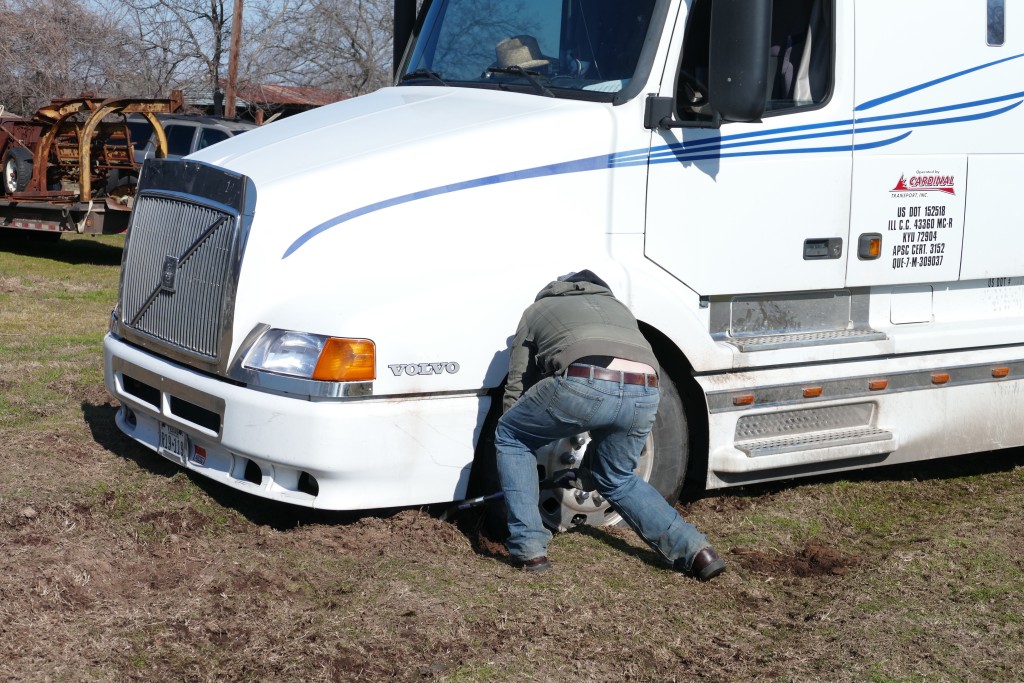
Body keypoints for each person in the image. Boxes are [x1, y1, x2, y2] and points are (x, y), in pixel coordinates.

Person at [495, 270, 725, 580]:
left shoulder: (537, 310)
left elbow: (518, 384)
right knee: (617, 476)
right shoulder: (619, 309)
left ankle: (529, 549)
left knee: (511, 436)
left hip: (582, 381)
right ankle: (696, 551)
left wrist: (518, 432)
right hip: (647, 389)